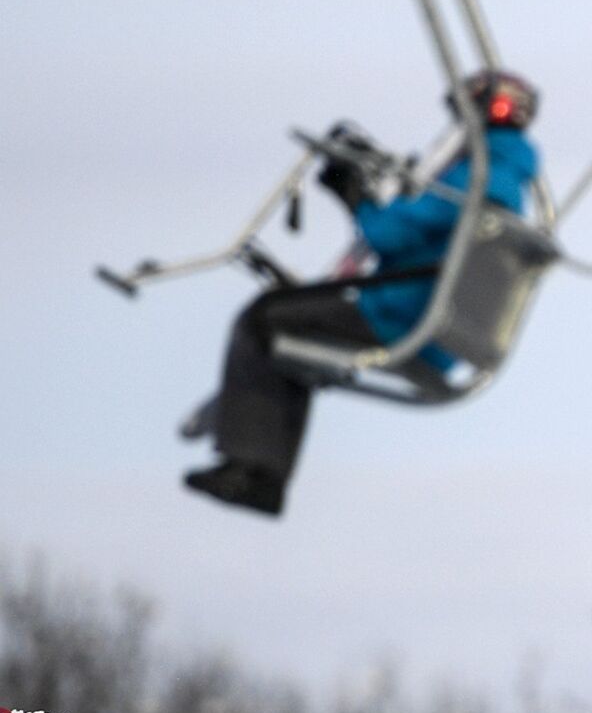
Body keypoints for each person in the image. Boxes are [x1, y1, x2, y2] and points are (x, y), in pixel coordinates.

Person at [182, 70, 542, 516]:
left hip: (400, 317)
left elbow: (389, 234)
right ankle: (258, 471)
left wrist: (356, 195)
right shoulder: (509, 184)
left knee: (264, 319)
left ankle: (254, 469)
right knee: (297, 339)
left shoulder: (473, 176)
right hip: (438, 332)